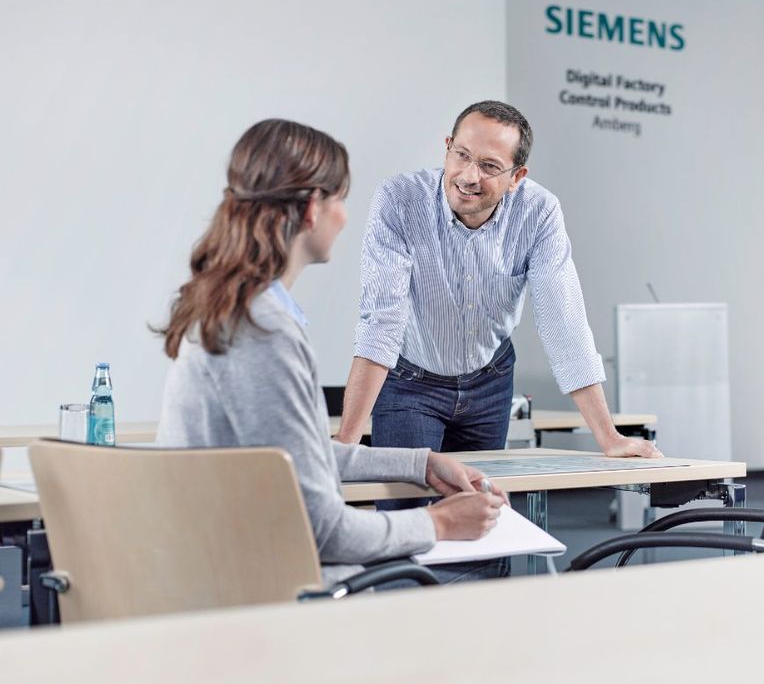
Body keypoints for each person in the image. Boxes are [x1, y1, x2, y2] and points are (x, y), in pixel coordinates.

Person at [154, 119, 508, 586]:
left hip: (227, 574)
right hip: (270, 592)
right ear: (311, 209)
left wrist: (421, 464)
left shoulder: (234, 312)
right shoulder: (262, 333)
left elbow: (300, 456)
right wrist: (439, 523)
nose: (344, 217)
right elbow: (324, 532)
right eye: (340, 200)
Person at [334, 100, 660, 460]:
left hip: (490, 384)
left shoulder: (539, 212)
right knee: (407, 494)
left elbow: (564, 323)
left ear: (516, 177)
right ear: (447, 147)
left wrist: (609, 437)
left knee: (479, 495)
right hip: (411, 384)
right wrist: (346, 446)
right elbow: (382, 321)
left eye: (489, 166)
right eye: (461, 155)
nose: (469, 176)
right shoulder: (400, 200)